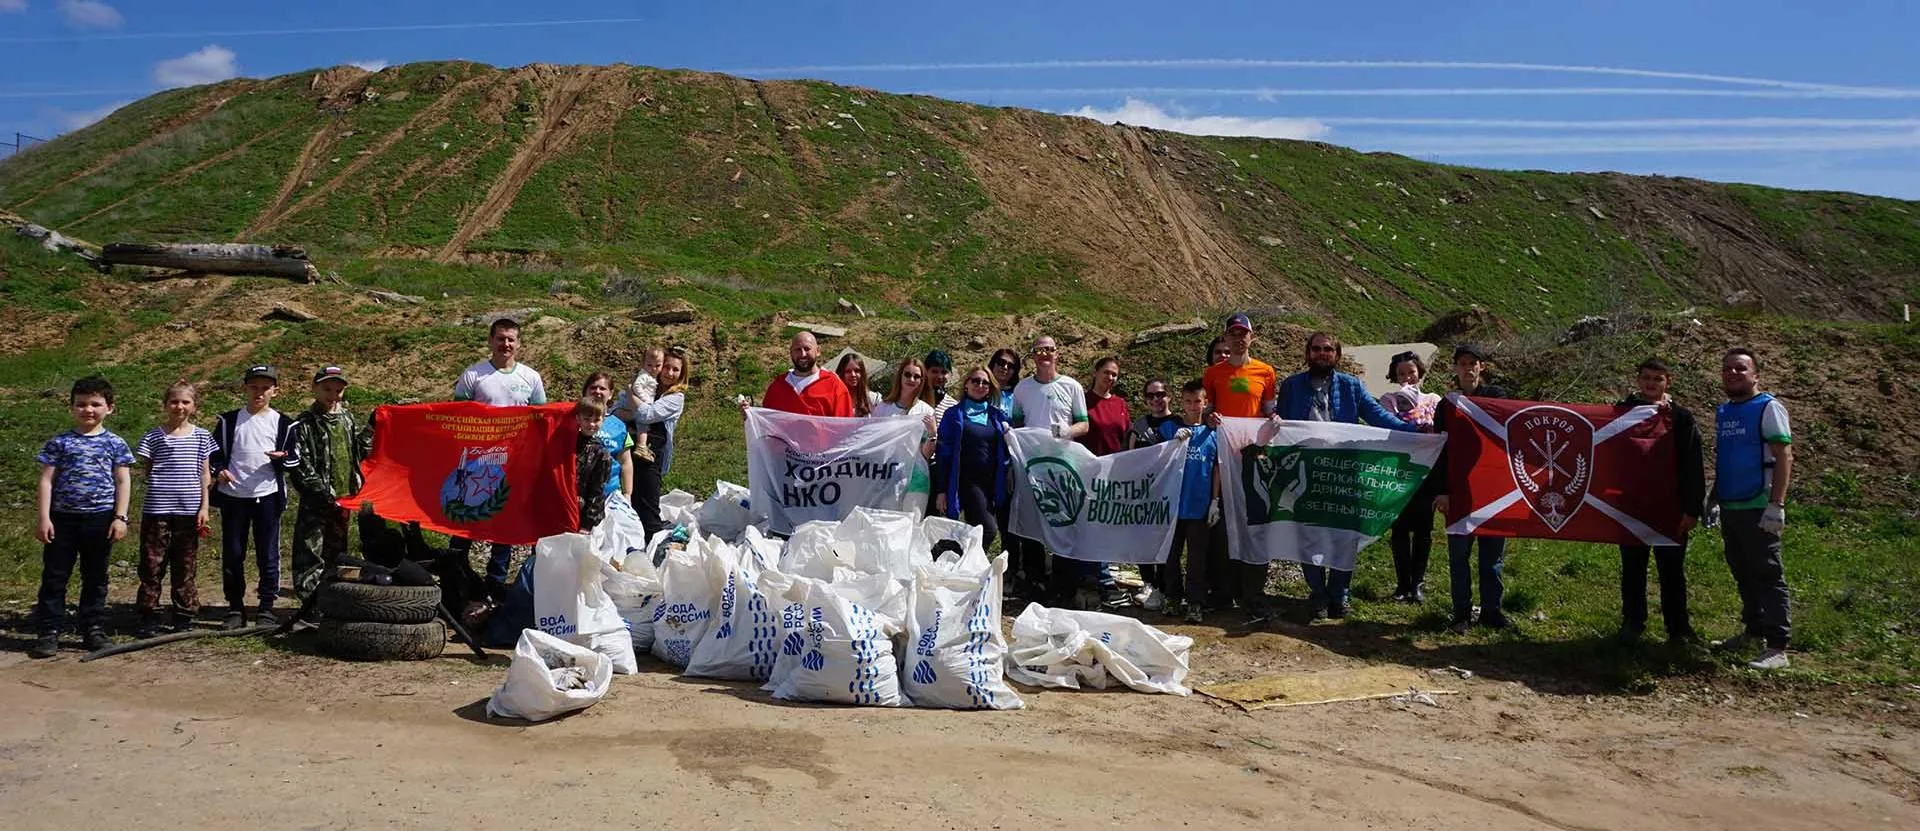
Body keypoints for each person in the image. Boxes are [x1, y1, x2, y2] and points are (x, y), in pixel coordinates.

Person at [1278, 332, 1419, 620]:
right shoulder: (1291, 386)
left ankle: (1339, 595)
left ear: (1337, 355)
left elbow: (1378, 416)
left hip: (1343, 472)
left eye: (1327, 349)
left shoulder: (1352, 386)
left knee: (1345, 536)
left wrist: (1417, 434)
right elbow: (1280, 426)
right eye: (1316, 349)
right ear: (1308, 353)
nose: (1321, 353)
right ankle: (1317, 594)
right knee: (1308, 535)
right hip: (1306, 471)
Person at [1010, 336, 1122, 607]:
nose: (1045, 354)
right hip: (1033, 466)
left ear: (1057, 354)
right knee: (1034, 520)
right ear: (1033, 356)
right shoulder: (1022, 389)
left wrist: (1067, 431)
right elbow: (1016, 425)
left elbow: (1084, 425)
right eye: (1039, 350)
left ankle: (1065, 582)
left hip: (1063, 465)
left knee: (1066, 520)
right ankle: (1037, 581)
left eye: (1049, 349)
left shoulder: (1071, 386)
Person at [30, 376, 136, 658]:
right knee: (55, 576)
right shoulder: (59, 443)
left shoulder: (115, 443)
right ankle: (49, 631)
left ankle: (93, 629)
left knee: (96, 576)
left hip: (100, 519)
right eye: (81, 404)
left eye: (95, 404)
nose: (88, 410)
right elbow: (46, 482)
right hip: (62, 519)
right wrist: (43, 518)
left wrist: (120, 517)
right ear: (72, 408)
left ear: (109, 408)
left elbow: (123, 482)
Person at [451, 318, 547, 600]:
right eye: (500, 338)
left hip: (514, 462)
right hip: (477, 462)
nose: (506, 344)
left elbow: (542, 418)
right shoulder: (473, 375)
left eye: (511, 339)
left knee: (504, 522)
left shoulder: (531, 378)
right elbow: (456, 415)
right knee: (465, 520)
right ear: (490, 341)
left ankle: (495, 583)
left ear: (518, 343)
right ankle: (455, 576)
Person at [1711, 347, 1794, 670]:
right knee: (1742, 571)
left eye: (1740, 369)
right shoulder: (1725, 411)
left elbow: (1784, 455)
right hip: (1732, 504)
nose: (1733, 374)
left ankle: (1777, 646)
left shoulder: (1768, 408)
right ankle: (1754, 631)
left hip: (1759, 504)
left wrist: (1777, 504)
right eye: (1727, 368)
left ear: (1756, 375)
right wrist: (1714, 497)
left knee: (1767, 573)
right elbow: (1727, 457)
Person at [1614, 358, 1705, 646]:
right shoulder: (1621, 413)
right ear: (1638, 380)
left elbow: (1693, 465)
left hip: (1671, 507)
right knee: (1632, 568)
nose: (1651, 384)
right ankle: (1632, 622)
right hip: (1632, 505)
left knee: (1672, 571)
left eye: (1657, 379)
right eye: (1646, 378)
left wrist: (1692, 509)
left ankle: (1678, 628)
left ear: (1668, 381)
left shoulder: (1681, 418)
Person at [210, 365, 300, 630]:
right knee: (233, 553)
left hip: (268, 496)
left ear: (275, 391)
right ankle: (235, 608)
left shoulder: (283, 422)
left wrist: (282, 460)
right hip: (233, 496)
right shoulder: (228, 421)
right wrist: (220, 470)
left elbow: (295, 458)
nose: (258, 392)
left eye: (265, 388)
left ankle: (266, 608)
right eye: (253, 387)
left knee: (268, 553)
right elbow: (214, 454)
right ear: (245, 389)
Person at [1434, 344, 1511, 634]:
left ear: (1482, 367)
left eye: (1472, 363)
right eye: (1462, 363)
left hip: (1493, 490)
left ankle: (1492, 610)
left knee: (1492, 558)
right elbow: (1439, 449)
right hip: (1458, 490)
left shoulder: (1498, 397)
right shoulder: (1446, 405)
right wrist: (1441, 490)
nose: (1467, 368)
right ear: (1455, 368)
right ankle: (1461, 613)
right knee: (1458, 557)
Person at [133, 381, 215, 638]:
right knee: (152, 563)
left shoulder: (202, 436)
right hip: (157, 509)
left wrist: (204, 506)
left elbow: (205, 474)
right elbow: (148, 470)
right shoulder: (154, 436)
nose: (179, 407)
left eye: (185, 402)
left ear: (194, 406)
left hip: (189, 511)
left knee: (185, 564)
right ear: (165, 405)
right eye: (174, 402)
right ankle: (149, 614)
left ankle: (184, 613)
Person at [288, 365, 372, 599]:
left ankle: (332, 598)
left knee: (338, 550)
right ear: (314, 389)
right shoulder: (304, 422)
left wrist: (373, 429)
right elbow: (300, 461)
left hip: (344, 497)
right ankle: (308, 600)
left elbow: (358, 452)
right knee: (310, 551)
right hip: (317, 499)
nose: (332, 395)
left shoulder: (347, 418)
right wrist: (318, 490)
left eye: (338, 390)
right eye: (326, 389)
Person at [1379, 351, 1443, 603]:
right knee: (1400, 530)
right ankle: (1402, 583)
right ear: (1395, 376)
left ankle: (1418, 583)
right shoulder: (1388, 400)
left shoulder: (1434, 399)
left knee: (1424, 530)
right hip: (1398, 472)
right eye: (1402, 373)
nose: (1407, 377)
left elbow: (1440, 430)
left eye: (1411, 372)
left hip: (1427, 473)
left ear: (1420, 372)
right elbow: (1387, 428)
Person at [1158, 379, 1220, 623]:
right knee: (1170, 556)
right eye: (1188, 401)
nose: (1193, 406)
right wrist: (1172, 442)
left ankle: (1195, 602)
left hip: (1199, 506)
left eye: (1198, 402)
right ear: (1181, 402)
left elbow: (1217, 468)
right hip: (1172, 506)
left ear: (1205, 403)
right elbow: (1156, 461)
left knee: (1197, 558)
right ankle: (1172, 596)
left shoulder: (1212, 435)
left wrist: (1215, 501)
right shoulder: (1168, 430)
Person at [932, 366, 1012, 554]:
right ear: (966, 384)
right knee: (988, 530)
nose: (980, 385)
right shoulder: (953, 415)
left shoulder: (996, 416)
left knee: (978, 529)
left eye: (985, 382)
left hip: (992, 484)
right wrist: (942, 490)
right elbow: (944, 453)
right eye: (975, 380)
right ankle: (960, 558)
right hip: (967, 482)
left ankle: (951, 556)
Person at [1129, 377, 1180, 609]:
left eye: (1160, 394)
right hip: (1144, 494)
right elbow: (1127, 459)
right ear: (1145, 400)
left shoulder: (1180, 424)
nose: (1156, 400)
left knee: (1168, 543)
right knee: (1143, 541)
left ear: (1169, 395)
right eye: (1151, 396)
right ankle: (1149, 583)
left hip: (1171, 494)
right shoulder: (1139, 426)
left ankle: (1168, 587)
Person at [629, 347, 690, 541]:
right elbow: (619, 410)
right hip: (631, 449)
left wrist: (631, 397)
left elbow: (647, 414)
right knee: (633, 499)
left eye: (676, 370)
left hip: (652, 453)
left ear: (682, 374)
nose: (670, 373)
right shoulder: (650, 386)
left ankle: (656, 544)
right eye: (667, 367)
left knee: (648, 502)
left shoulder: (676, 398)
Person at [750, 331, 854, 417]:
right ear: (791, 352)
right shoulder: (778, 387)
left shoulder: (834, 385)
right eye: (798, 350)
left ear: (817, 351)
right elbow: (765, 425)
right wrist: (749, 416)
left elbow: (845, 428)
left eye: (807, 349)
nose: (803, 354)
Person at [582, 373, 635, 501]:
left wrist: (627, 493)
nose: (597, 391)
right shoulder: (572, 420)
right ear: (585, 391)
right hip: (578, 493)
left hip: (609, 494)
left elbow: (626, 462)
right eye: (593, 388)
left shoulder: (620, 426)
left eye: (602, 388)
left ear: (610, 394)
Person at [874, 356, 939, 459]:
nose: (911, 379)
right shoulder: (883, 408)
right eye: (907, 375)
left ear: (921, 381)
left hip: (912, 472)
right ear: (900, 376)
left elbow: (926, 454)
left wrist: (932, 433)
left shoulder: (927, 411)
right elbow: (872, 442)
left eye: (916, 376)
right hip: (885, 470)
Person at [571, 397, 616, 533]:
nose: (591, 424)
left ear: (603, 420)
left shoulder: (601, 454)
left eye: (596, 420)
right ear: (578, 419)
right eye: (587, 419)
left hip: (581, 512)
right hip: (559, 508)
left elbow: (598, 491)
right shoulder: (566, 444)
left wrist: (587, 523)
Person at [612, 347, 664, 463]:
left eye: (658, 366)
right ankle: (641, 446)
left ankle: (632, 433)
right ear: (643, 364)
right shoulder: (644, 376)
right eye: (649, 365)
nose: (653, 369)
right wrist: (646, 401)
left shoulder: (652, 376)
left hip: (634, 403)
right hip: (630, 401)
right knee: (643, 420)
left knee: (640, 418)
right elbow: (636, 387)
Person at [836, 353, 881, 417]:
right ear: (841, 373)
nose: (853, 375)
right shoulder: (834, 400)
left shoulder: (873, 399)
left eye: (857, 371)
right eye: (848, 371)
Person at [925, 350, 959, 424]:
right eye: (934, 371)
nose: (939, 376)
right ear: (925, 371)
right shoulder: (914, 398)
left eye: (944, 372)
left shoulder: (953, 406)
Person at [987, 348, 1022, 417]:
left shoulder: (1019, 397)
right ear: (993, 363)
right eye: (1001, 362)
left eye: (1010, 366)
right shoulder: (980, 389)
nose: (1005, 367)